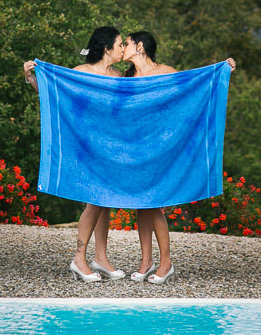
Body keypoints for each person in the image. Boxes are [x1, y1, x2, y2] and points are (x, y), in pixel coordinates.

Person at [121, 30, 236, 285]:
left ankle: (165, 262)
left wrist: (221, 71)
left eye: (126, 44)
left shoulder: (165, 72)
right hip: (136, 147)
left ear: (140, 46)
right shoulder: (126, 78)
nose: (122, 48)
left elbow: (191, 93)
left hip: (161, 146)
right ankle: (146, 261)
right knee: (141, 204)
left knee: (153, 203)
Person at [23, 26, 125, 284]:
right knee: (95, 200)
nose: (123, 48)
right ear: (107, 48)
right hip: (86, 146)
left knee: (105, 200)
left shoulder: (119, 75)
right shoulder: (81, 73)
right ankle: (79, 259)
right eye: (120, 43)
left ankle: (100, 258)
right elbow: (57, 96)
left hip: (110, 146)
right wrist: (32, 79)